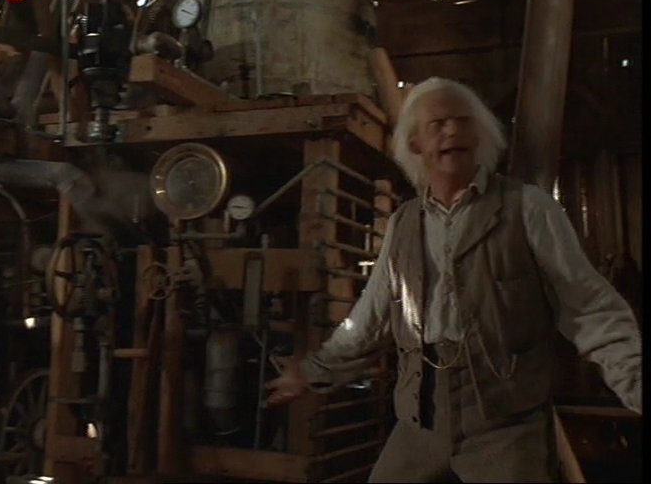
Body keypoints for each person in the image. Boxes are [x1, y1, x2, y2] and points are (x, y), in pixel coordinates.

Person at [265, 77, 642, 482]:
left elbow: (588, 308)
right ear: (415, 144)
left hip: (507, 423)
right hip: (421, 417)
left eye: (463, 122)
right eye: (438, 123)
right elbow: (368, 319)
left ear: (479, 136)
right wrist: (312, 371)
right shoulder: (403, 223)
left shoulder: (528, 208)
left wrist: (635, 380)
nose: (452, 131)